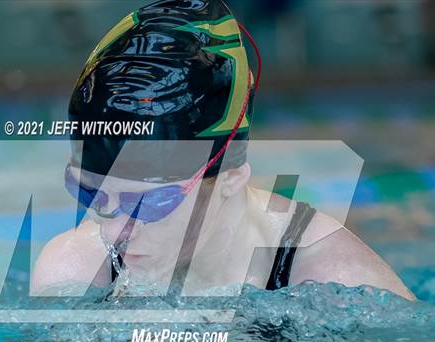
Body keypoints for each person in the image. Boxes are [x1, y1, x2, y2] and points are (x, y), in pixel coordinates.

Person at [32, 0, 414, 302]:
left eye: (146, 204)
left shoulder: (338, 280)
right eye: (93, 196)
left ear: (231, 174)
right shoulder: (76, 271)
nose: (114, 233)